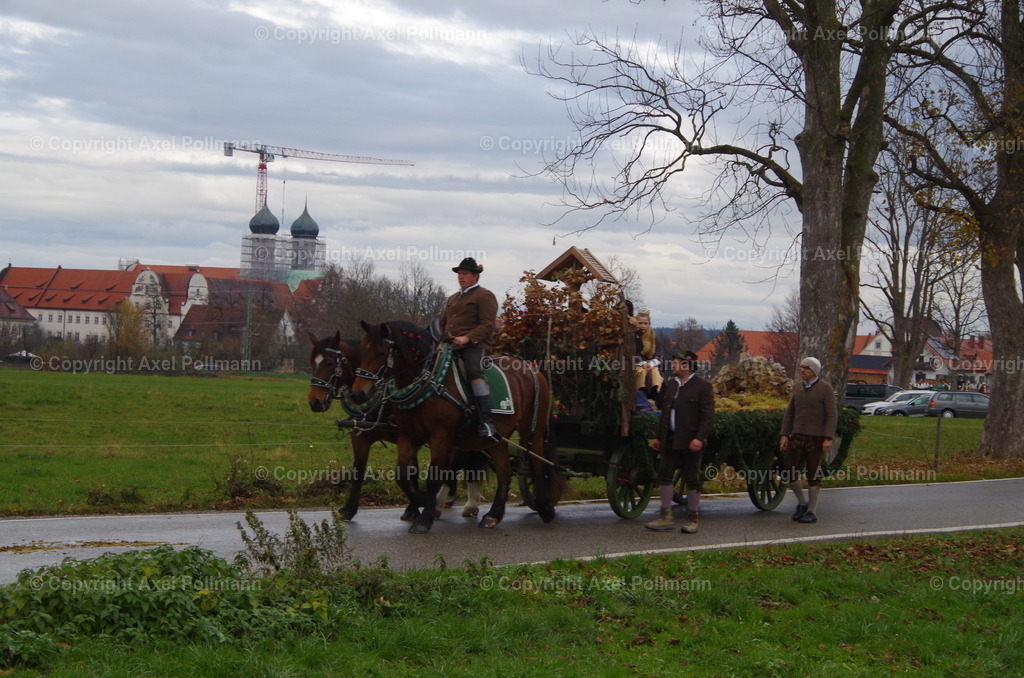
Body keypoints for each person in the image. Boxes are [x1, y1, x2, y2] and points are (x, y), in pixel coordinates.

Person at [646, 350, 715, 534]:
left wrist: (699, 438)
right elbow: (665, 413)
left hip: (690, 439)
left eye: (676, 362)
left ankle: (693, 519)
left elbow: (707, 417)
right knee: (664, 474)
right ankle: (665, 517)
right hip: (670, 438)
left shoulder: (702, 386)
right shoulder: (672, 385)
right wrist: (659, 437)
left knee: (692, 478)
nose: (673, 365)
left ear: (687, 365)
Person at [440, 257, 500, 440]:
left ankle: (486, 422)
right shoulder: (452, 298)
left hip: (476, 346)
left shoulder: (485, 296)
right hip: (450, 346)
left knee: (474, 371)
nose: (461, 276)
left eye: (465, 273)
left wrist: (467, 338)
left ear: (475, 276)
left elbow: (488, 325)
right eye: (459, 273)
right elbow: (443, 323)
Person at [779, 356, 838, 524]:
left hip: (816, 438)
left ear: (814, 371)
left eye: (806, 368)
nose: (802, 371)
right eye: (801, 368)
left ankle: (812, 511)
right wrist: (784, 434)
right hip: (797, 436)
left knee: (813, 473)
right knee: (789, 470)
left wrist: (828, 438)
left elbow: (831, 415)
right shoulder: (797, 387)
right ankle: (802, 503)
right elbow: (790, 413)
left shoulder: (825, 388)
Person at [633, 309, 664, 399]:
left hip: (652, 364)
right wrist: (643, 363)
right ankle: (641, 392)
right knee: (641, 371)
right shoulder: (633, 337)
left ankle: (656, 391)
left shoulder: (654, 338)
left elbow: (660, 355)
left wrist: (651, 364)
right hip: (637, 364)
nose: (642, 326)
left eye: (645, 323)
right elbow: (633, 353)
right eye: (640, 323)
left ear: (649, 324)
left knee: (655, 371)